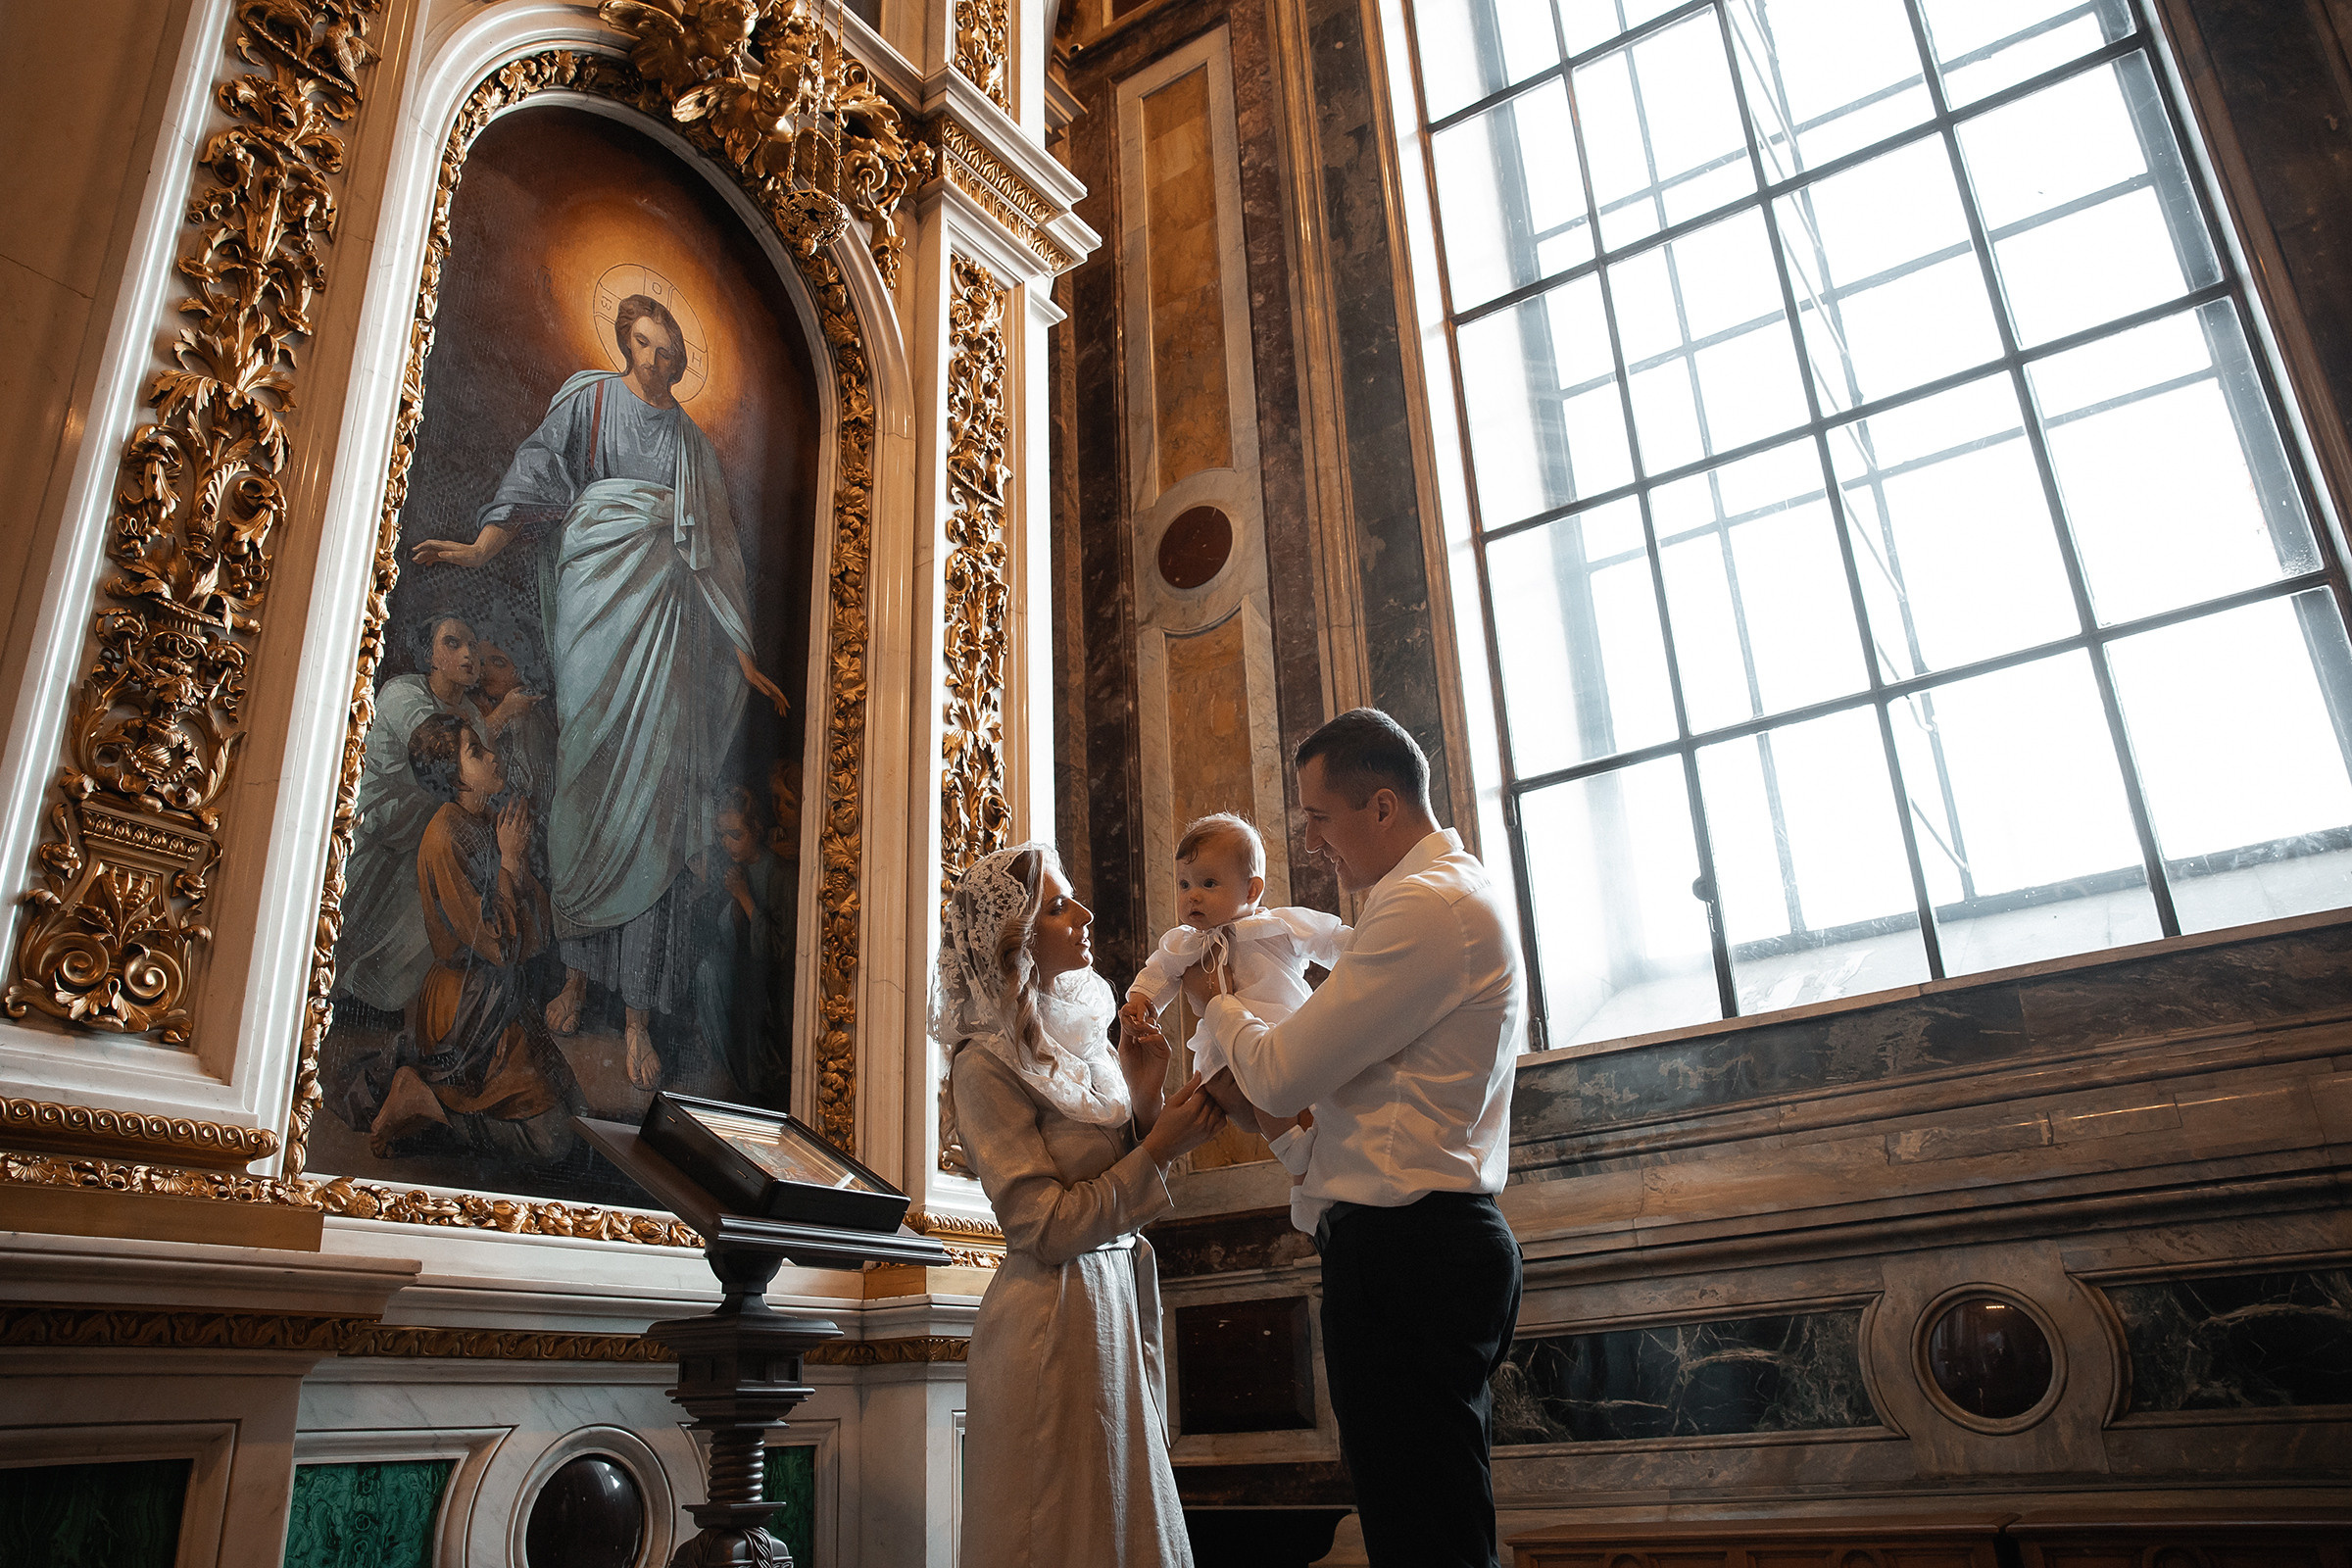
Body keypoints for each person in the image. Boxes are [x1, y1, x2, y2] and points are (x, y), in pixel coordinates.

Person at [411, 294, 792, 1093]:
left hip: (661, 640)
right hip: (592, 619)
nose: (656, 361)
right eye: (644, 345)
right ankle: (577, 976)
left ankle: (637, 1017)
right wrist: (484, 549)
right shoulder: (587, 403)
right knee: (583, 801)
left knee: (649, 815)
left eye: (668, 349)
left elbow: (717, 559)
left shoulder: (694, 448)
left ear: (683, 358)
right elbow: (539, 471)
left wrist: (744, 658)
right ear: (626, 344)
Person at [1187, 709, 1524, 1568]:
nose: (1311, 844)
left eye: (1318, 818)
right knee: (1419, 1521)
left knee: (1426, 1536)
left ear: (1381, 807)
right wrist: (1272, 1124)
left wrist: (1217, 1002)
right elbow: (1358, 1113)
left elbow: (1283, 1074)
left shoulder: (1426, 906)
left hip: (1412, 1254)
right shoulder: (1436, 895)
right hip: (1411, 1245)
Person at [942, 844, 1226, 1568]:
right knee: (1062, 1536)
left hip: (1111, 1308)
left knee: (1125, 1532)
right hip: (1050, 1327)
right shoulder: (982, 1065)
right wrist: (1156, 1147)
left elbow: (1113, 1173)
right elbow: (1042, 1225)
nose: (1086, 914)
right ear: (1018, 937)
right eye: (1060, 905)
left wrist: (1143, 1094)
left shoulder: (1075, 1040)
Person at [362, 713, 582, 1162]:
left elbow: (535, 928)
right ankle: (423, 1099)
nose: (493, 756)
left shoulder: (486, 821)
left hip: (498, 997)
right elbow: (497, 946)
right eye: (476, 753)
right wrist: (508, 863)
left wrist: (514, 863)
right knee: (553, 1143)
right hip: (464, 1004)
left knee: (575, 1114)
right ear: (454, 776)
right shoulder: (444, 837)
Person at [1119, 811, 1346, 1209]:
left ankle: (1302, 1173)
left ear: (1251, 889)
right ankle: (1301, 1164)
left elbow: (1331, 939)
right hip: (1221, 1058)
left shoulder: (1276, 926)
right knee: (1228, 1086)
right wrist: (1141, 1000)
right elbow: (1159, 970)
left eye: (1208, 883)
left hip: (1279, 1041)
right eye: (1184, 884)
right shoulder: (1185, 944)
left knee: (1281, 1093)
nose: (1193, 895)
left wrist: (1361, 954)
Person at [334, 614, 494, 1013]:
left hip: (418, 841)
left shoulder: (473, 716)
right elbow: (437, 755)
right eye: (454, 643)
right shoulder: (402, 693)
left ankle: (368, 1012)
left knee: (401, 942)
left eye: (473, 645)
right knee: (343, 924)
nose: (468, 654)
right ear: (431, 656)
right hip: (372, 831)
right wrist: (505, 714)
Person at [690, 783, 795, 1102]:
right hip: (739, 968)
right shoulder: (730, 870)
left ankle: (755, 1082)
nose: (727, 843)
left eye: (736, 835)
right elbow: (717, 935)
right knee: (708, 971)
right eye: (723, 835)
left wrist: (744, 898)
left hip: (772, 984)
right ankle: (726, 1071)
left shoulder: (780, 874)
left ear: (756, 829)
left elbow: (781, 949)